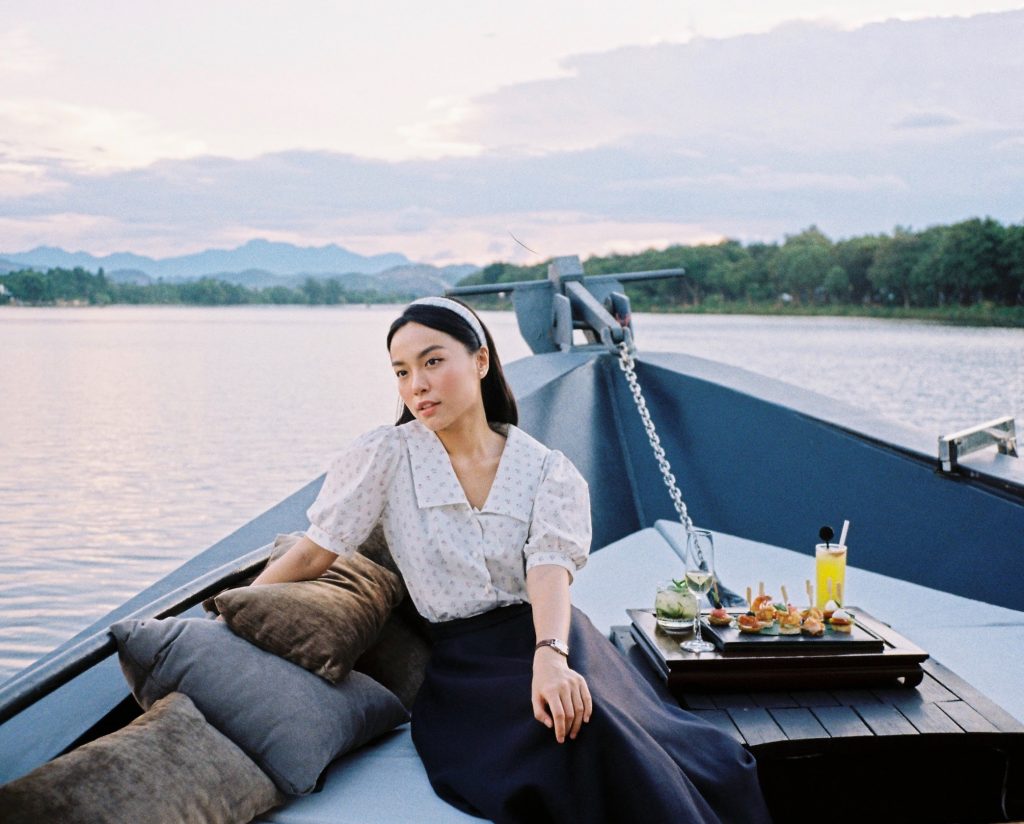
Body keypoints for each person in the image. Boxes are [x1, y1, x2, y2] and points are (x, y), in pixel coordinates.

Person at [252, 296, 772, 823]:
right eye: (402, 371)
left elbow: (548, 570)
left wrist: (551, 656)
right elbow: (318, 550)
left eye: (433, 361)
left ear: (480, 362)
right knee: (579, 741)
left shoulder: (544, 469)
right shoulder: (388, 456)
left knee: (682, 754)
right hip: (470, 668)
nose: (417, 385)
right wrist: (235, 607)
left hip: (555, 636)